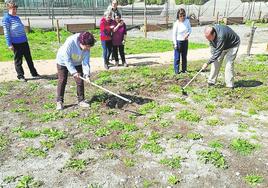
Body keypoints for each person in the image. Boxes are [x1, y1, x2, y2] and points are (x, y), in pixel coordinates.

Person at [56, 32, 96, 110]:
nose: (88, 49)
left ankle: (81, 100)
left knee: (80, 81)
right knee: (62, 79)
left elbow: (85, 62)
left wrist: (87, 75)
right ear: (81, 43)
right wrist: (73, 72)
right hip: (63, 61)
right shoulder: (70, 41)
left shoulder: (87, 46)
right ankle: (59, 101)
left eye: (89, 47)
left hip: (77, 61)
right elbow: (66, 58)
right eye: (87, 46)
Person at [2, 0, 40, 82]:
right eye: (13, 9)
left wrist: (25, 39)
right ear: (8, 9)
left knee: (29, 58)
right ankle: (20, 76)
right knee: (18, 60)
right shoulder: (6, 19)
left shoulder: (17, 17)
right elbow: (6, 32)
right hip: (16, 43)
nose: (15, 11)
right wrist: (9, 44)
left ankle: (34, 73)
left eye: (16, 9)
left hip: (24, 41)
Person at [202, 25, 240, 89]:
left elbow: (218, 52)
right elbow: (213, 48)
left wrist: (207, 63)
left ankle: (230, 85)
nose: (208, 39)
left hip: (232, 45)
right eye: (207, 38)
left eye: (209, 38)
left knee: (229, 64)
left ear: (214, 34)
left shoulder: (221, 36)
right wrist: (212, 58)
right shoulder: (210, 35)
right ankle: (211, 81)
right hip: (222, 45)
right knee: (215, 61)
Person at [172, 8, 191, 74]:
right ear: (178, 16)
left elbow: (190, 29)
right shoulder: (176, 23)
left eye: (183, 16)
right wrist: (175, 44)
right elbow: (174, 34)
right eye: (181, 16)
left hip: (185, 42)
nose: (182, 17)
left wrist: (188, 34)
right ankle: (176, 71)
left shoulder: (187, 21)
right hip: (178, 42)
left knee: (184, 56)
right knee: (177, 57)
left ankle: (184, 70)